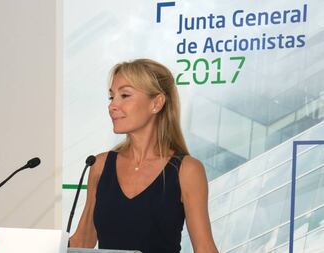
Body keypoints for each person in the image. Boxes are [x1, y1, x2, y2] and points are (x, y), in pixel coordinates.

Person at [69, 59, 218, 253]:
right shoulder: (99, 165)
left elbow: (205, 248)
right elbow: (83, 240)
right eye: (111, 97)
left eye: (125, 95)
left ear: (156, 103)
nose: (112, 106)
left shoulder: (187, 170)